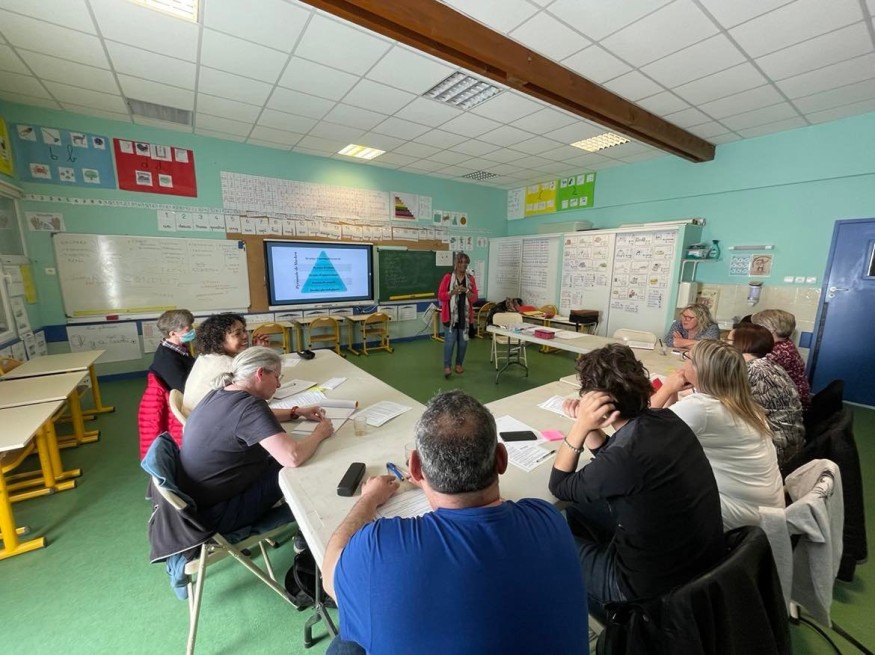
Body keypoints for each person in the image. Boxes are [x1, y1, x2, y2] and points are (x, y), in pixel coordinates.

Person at [323, 390, 589, 655]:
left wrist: (369, 498)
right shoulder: (548, 519)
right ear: (501, 459)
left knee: (347, 641)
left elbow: (330, 574)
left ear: (415, 468)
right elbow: (494, 509)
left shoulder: (377, 547)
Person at [550, 344, 724, 621]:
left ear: (599, 401)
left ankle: (617, 612)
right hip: (696, 565)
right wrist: (591, 425)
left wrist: (580, 426)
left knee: (548, 543)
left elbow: (560, 485)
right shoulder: (664, 419)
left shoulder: (625, 457)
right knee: (579, 510)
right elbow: (613, 458)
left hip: (646, 587)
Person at [179, 347, 333, 534]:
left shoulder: (221, 391)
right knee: (301, 463)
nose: (279, 385)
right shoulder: (251, 407)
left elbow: (251, 418)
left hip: (198, 502)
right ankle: (310, 532)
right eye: (276, 377)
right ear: (260, 373)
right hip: (222, 513)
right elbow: (292, 457)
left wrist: (296, 412)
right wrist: (320, 433)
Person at [651, 340, 784, 529]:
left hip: (740, 517)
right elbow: (666, 425)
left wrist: (666, 388)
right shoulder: (742, 403)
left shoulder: (703, 407)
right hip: (766, 511)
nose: (684, 362)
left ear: (701, 370)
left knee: (650, 488)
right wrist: (673, 393)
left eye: (687, 358)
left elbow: (640, 432)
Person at [728, 323, 805, 466]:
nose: (724, 345)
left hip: (776, 447)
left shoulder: (755, 370)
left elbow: (724, 399)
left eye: (728, 341)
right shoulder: (765, 364)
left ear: (742, 344)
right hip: (789, 439)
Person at [183, 312, 269, 412]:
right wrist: (261, 351)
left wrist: (257, 351)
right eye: (237, 334)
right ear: (218, 340)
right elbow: (264, 393)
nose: (245, 335)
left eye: (244, 330)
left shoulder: (206, 357)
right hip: (209, 417)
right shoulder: (228, 364)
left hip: (196, 415)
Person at [752, 309, 812, 410]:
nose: (754, 331)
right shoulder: (784, 343)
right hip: (789, 395)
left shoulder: (780, 351)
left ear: (771, 329)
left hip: (792, 404)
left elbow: (753, 370)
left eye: (757, 327)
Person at [437, 251, 478, 378]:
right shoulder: (448, 277)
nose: (463, 264)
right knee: (449, 342)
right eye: (460, 262)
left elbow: (474, 298)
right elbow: (440, 296)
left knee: (463, 343)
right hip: (450, 318)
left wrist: (466, 290)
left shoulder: (470, 279)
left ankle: (459, 364)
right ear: (456, 263)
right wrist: (453, 292)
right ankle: (447, 366)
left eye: (465, 262)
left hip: (465, 318)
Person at [148, 309, 196, 392]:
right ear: (173, 334)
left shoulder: (180, 348)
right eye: (188, 329)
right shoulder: (166, 359)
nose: (193, 329)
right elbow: (183, 388)